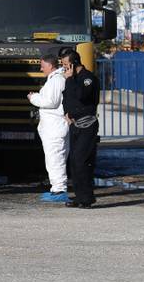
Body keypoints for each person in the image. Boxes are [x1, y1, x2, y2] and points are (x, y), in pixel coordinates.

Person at [61, 51, 101, 209]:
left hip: (87, 124)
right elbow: (67, 97)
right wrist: (67, 113)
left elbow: (81, 96)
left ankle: (87, 198)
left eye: (66, 64)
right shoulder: (72, 79)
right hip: (74, 123)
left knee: (82, 160)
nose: (64, 68)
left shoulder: (87, 78)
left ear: (74, 63)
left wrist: (70, 79)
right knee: (74, 162)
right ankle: (79, 196)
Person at [28, 54, 70, 202]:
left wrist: (33, 98)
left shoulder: (56, 80)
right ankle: (56, 189)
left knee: (55, 160)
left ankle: (59, 190)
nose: (41, 68)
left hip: (54, 128)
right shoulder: (54, 80)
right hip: (53, 128)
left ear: (50, 66)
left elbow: (51, 102)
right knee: (54, 159)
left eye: (42, 66)